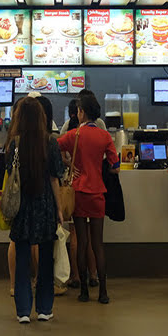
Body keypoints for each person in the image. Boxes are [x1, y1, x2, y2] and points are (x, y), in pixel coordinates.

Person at [57, 92, 120, 304]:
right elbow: (115, 166)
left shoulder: (73, 135)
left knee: (81, 242)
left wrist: (69, 165)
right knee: (97, 244)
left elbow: (53, 147)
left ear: (81, 112)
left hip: (78, 192)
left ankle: (83, 291)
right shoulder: (104, 136)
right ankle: (103, 292)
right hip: (97, 193)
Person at [7, 98, 63, 323]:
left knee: (22, 259)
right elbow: (55, 179)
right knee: (46, 259)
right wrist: (59, 209)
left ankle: (23, 311)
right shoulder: (50, 143)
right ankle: (44, 309)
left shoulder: (13, 144)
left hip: (21, 206)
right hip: (45, 205)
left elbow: (10, 173)